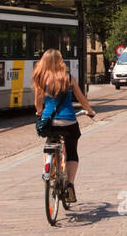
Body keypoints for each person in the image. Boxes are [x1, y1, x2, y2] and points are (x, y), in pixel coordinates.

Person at [32, 49, 95, 201]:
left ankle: (49, 169)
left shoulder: (41, 78)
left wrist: (40, 112)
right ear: (60, 62)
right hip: (68, 121)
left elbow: (38, 104)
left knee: (49, 144)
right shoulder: (68, 78)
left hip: (49, 122)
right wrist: (90, 111)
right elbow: (81, 99)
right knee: (72, 151)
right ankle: (70, 185)